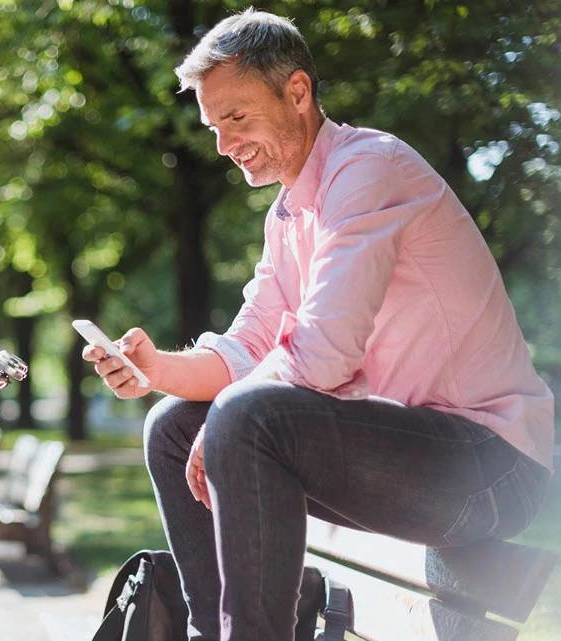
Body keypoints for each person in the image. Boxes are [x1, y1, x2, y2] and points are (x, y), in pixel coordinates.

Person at [82, 8, 555, 641]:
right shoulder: (288, 215)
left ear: (297, 92)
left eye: (237, 117)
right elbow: (248, 348)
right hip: (400, 457)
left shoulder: (368, 168)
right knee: (171, 425)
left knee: (246, 416)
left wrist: (230, 414)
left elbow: (322, 354)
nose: (222, 144)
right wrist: (156, 370)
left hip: (490, 464)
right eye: (213, 125)